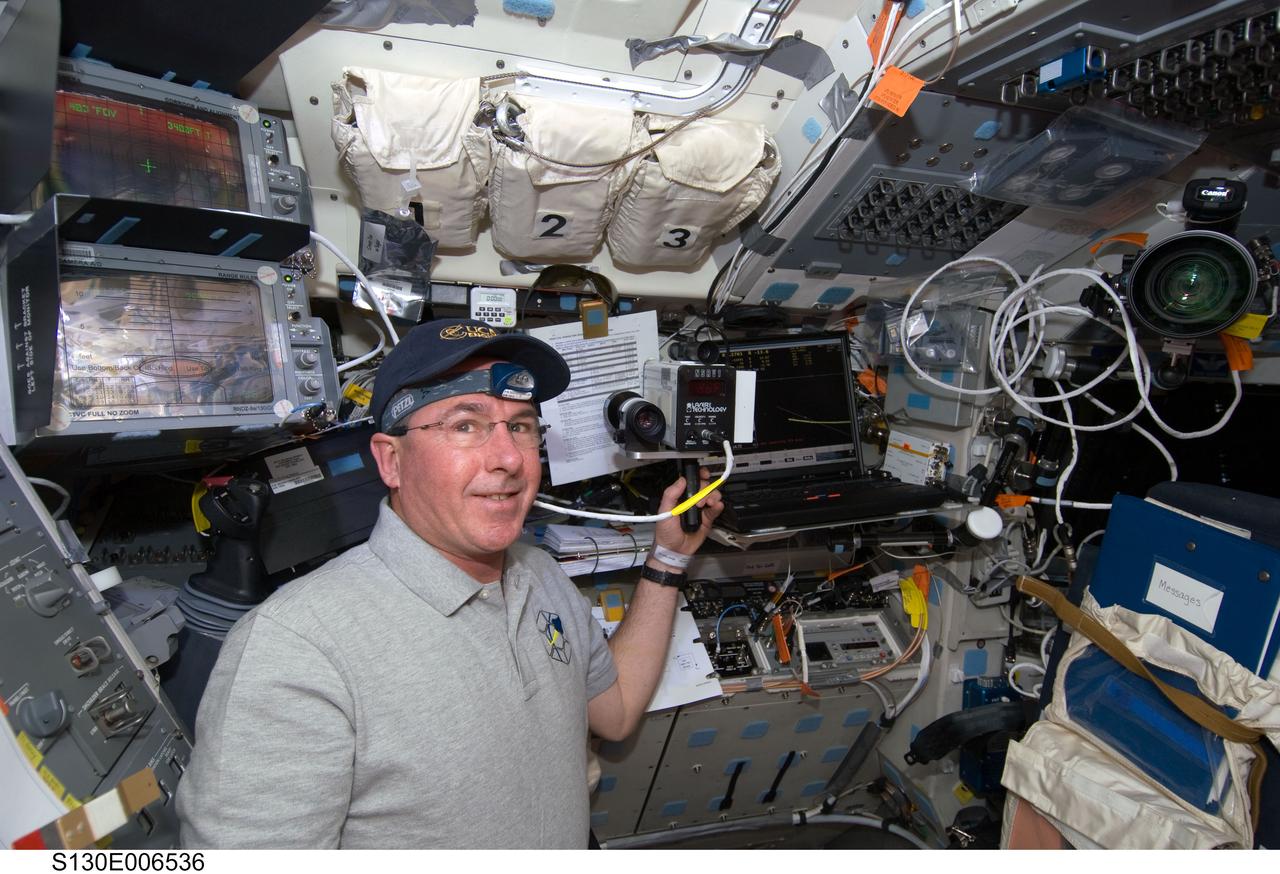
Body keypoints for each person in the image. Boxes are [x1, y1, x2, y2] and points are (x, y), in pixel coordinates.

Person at [176, 318, 723, 848]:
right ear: (391, 461)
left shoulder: (541, 573)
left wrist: (668, 559)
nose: (509, 459)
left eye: (521, 426)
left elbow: (616, 712)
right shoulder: (294, 648)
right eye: (465, 425)